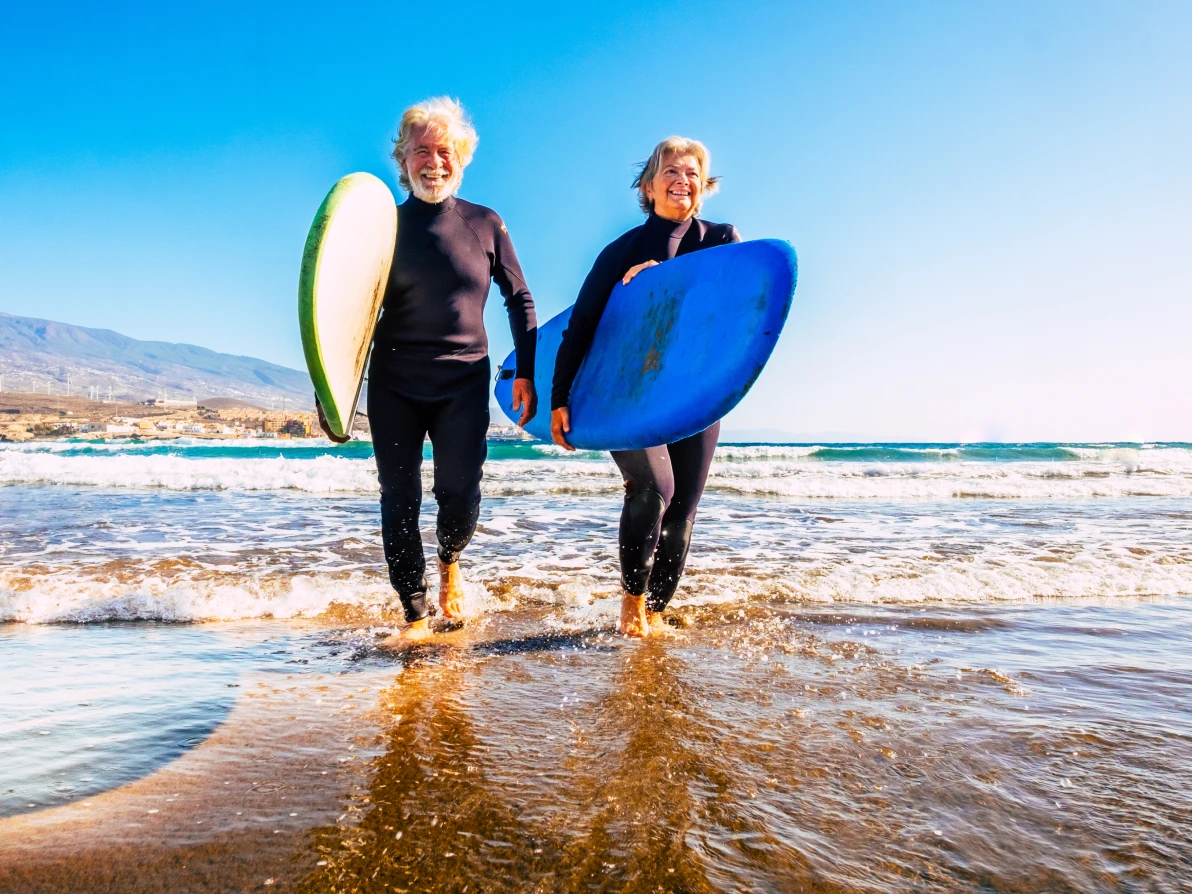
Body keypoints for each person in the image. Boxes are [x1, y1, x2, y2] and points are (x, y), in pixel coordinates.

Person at [318, 97, 537, 646]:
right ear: (404, 159)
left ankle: (450, 559)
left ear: (461, 157)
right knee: (399, 496)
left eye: (444, 151)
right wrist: (331, 389)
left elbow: (520, 299)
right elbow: (346, 309)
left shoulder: (485, 223)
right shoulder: (384, 229)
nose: (433, 162)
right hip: (395, 380)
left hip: (463, 382)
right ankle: (415, 615)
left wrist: (529, 372)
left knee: (460, 492)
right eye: (421, 151)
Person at [550, 137, 739, 638]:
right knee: (655, 487)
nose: (683, 180)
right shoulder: (621, 252)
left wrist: (670, 282)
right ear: (649, 185)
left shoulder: (721, 240)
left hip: (693, 392)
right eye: (671, 171)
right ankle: (632, 607)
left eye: (693, 172)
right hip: (627, 392)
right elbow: (584, 325)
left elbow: (733, 314)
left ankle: (656, 614)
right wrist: (560, 399)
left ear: (705, 185)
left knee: (683, 511)